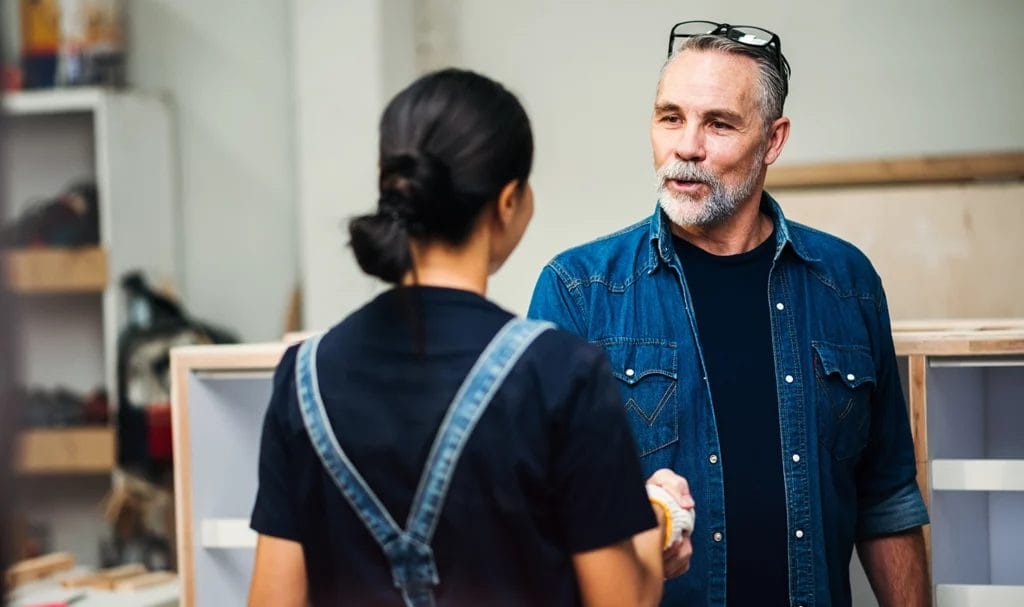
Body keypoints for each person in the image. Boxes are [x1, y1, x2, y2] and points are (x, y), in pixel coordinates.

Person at [248, 68, 692, 607]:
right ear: (509, 202)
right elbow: (621, 601)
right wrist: (658, 519)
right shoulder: (560, 373)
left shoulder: (302, 376)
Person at [528, 20, 930, 607]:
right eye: (671, 117)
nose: (686, 147)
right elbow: (531, 506)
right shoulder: (579, 290)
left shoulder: (848, 284)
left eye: (718, 124)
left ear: (772, 140)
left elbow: (887, 496)